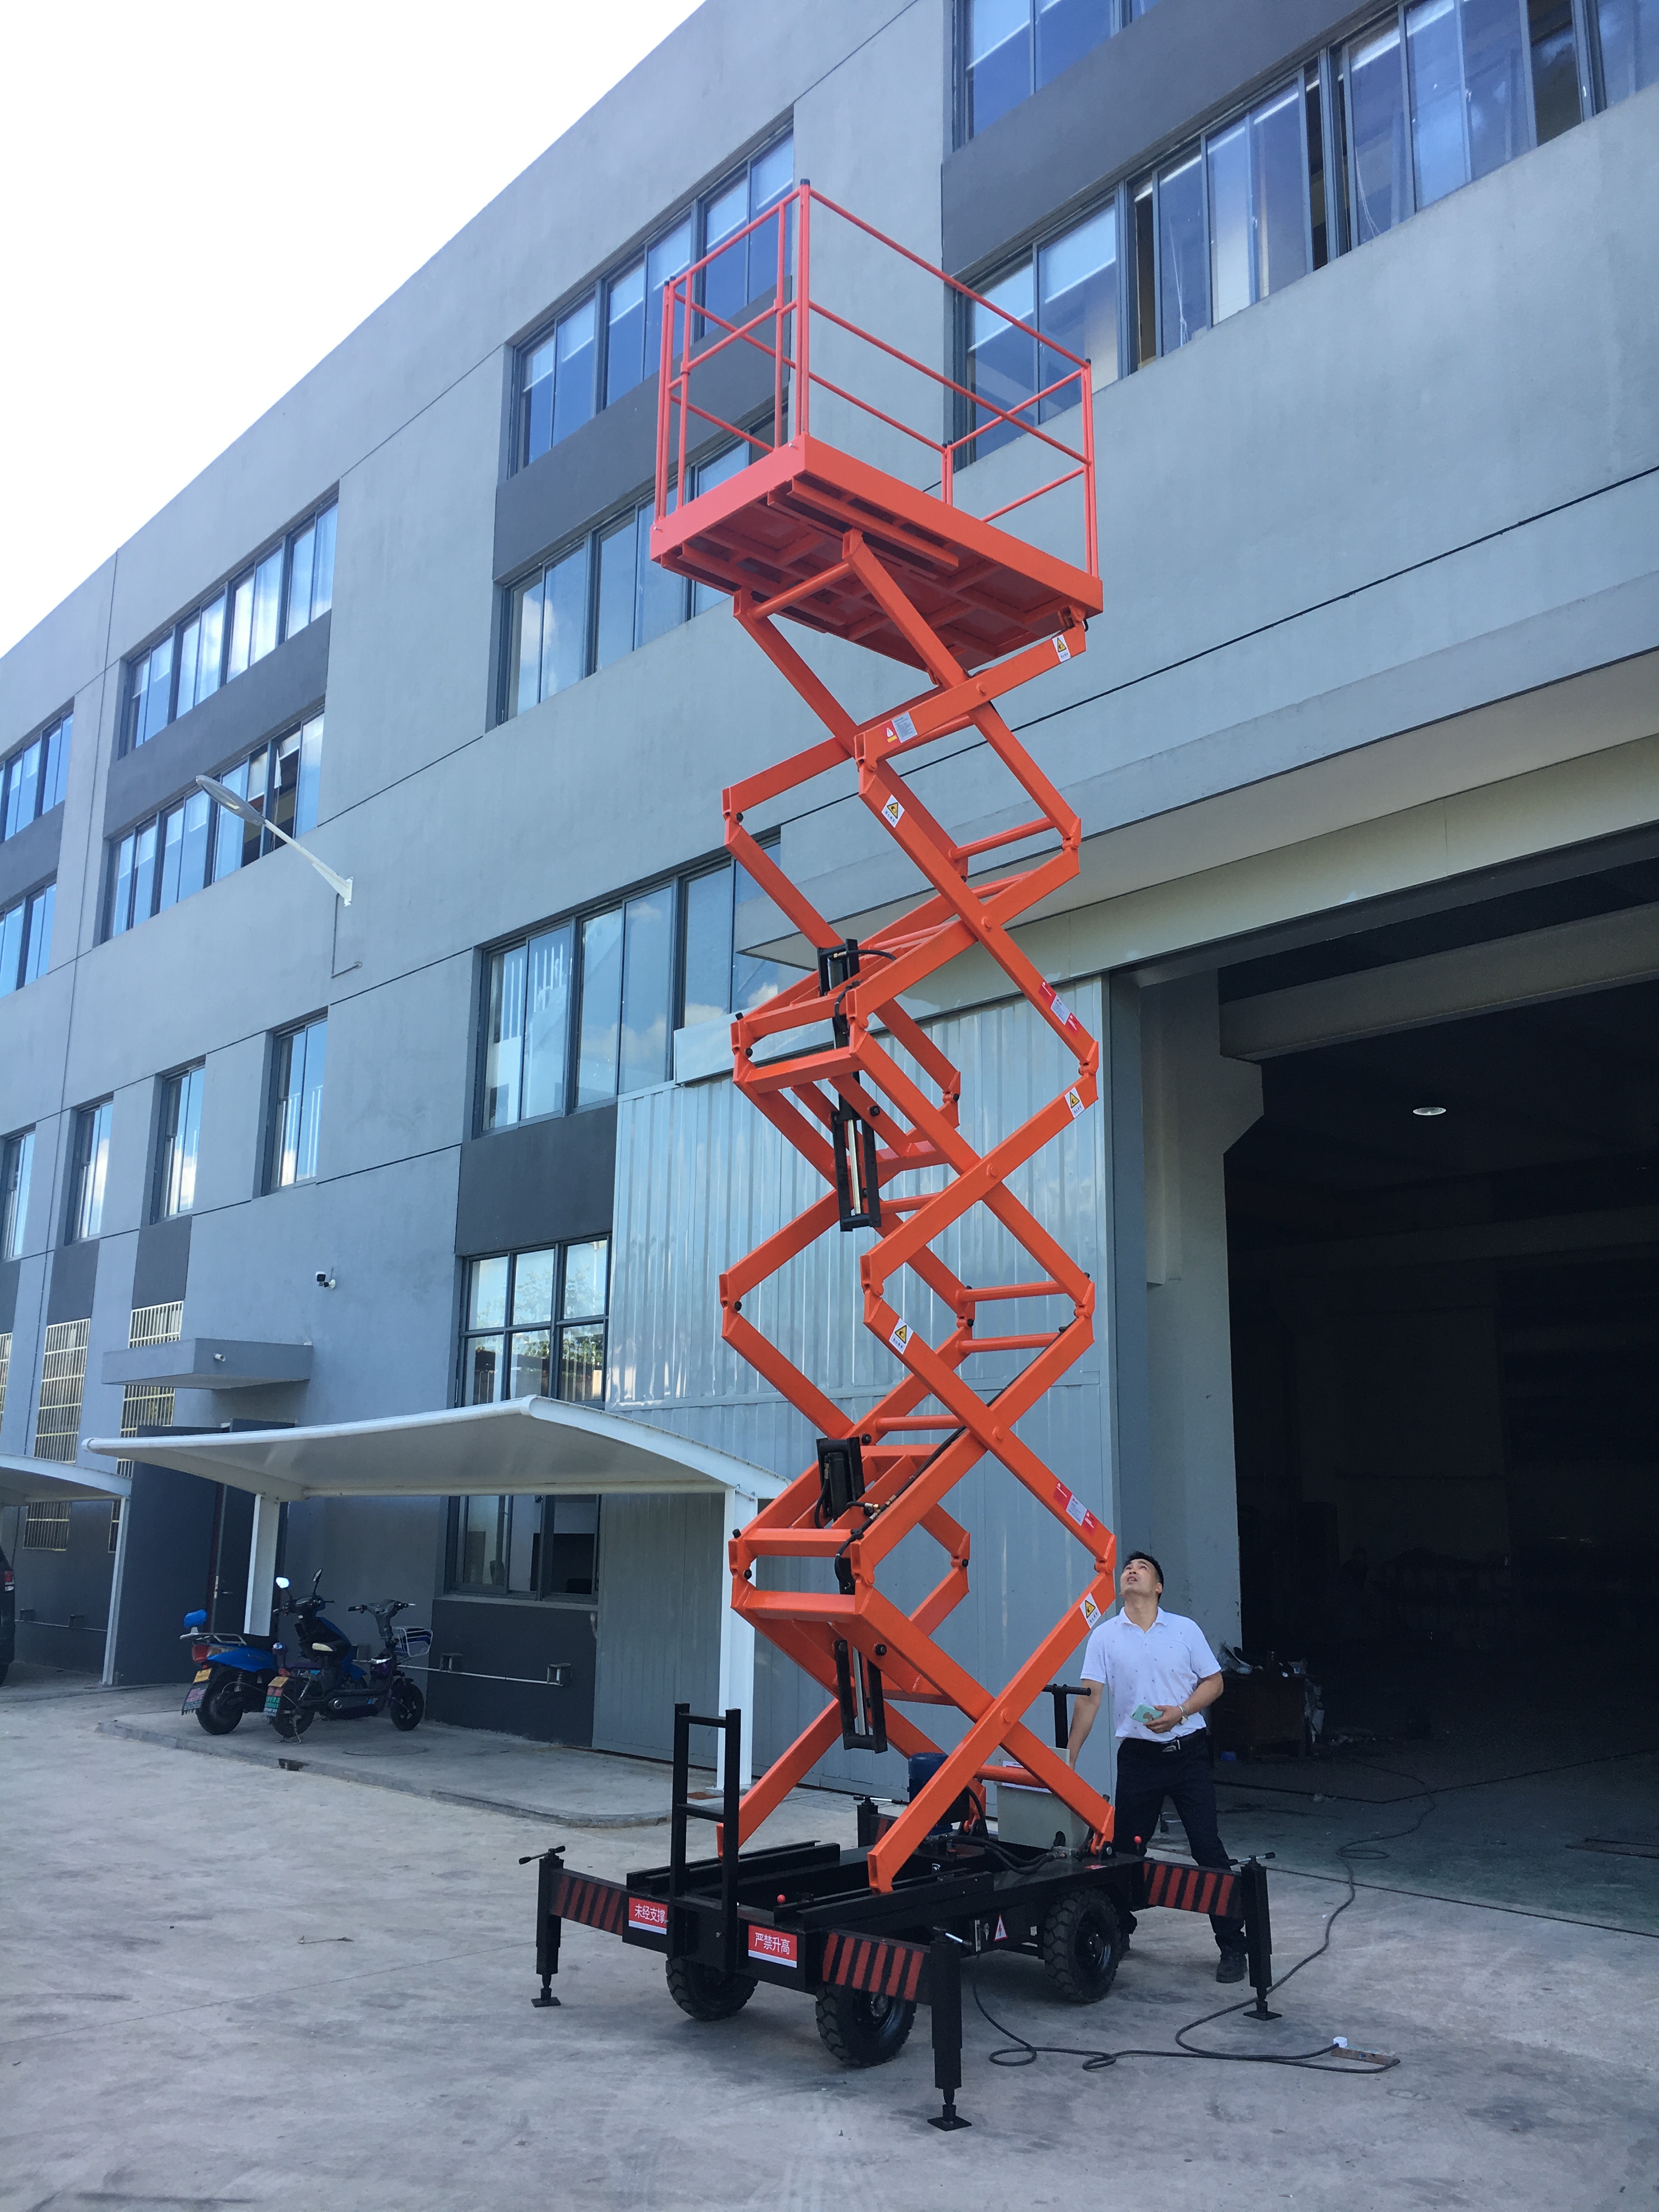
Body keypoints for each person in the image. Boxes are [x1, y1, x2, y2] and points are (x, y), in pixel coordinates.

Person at [1066, 1549, 1247, 1983]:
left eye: (1142, 1568)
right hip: (1138, 1758)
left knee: (1208, 1849)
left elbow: (1215, 1683)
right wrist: (1067, 1759)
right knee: (1125, 1852)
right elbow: (1090, 1699)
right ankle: (1119, 1930)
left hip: (1188, 1754)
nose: (1131, 1571)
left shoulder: (1184, 1630)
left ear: (1159, 1587)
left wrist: (1181, 1711)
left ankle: (1232, 1946)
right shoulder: (1105, 1636)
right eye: (1128, 1568)